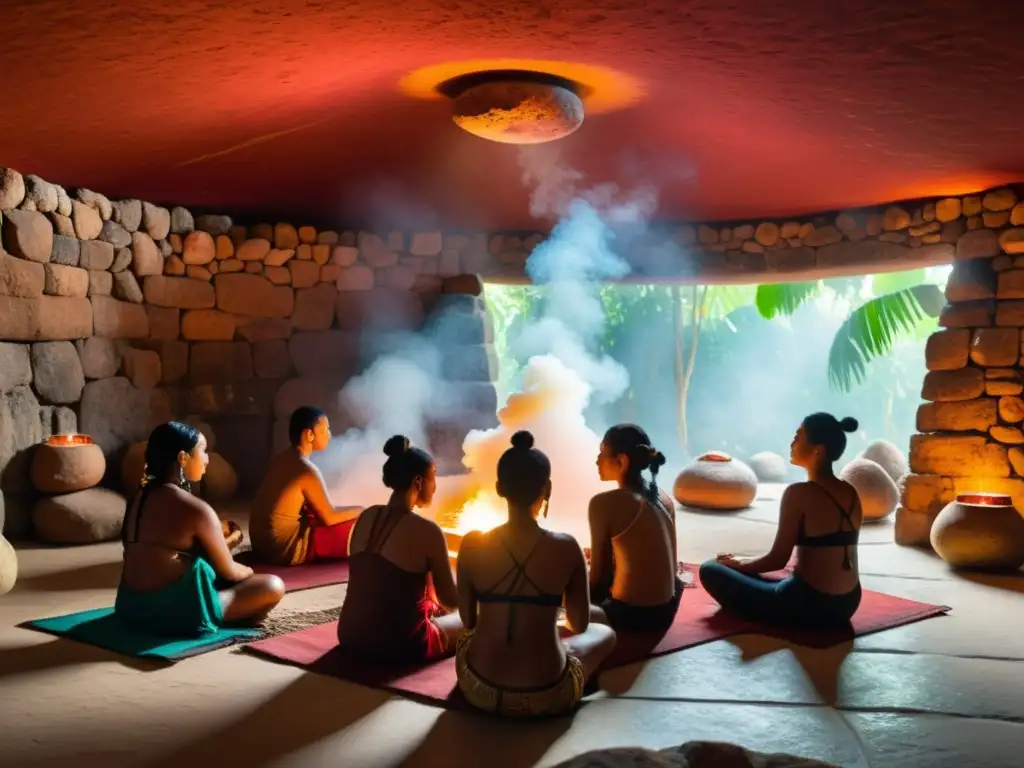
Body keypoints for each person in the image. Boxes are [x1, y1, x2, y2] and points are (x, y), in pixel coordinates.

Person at [455, 431, 616, 718]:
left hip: (479, 689)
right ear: (548, 488)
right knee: (604, 633)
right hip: (547, 693)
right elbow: (579, 625)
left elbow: (468, 621)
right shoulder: (567, 546)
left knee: (470, 640)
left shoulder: (471, 543)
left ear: (499, 488)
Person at [116, 422, 285, 636]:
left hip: (131, 606)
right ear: (183, 458)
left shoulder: (137, 498)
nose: (206, 459)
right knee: (272, 585)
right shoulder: (196, 510)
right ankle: (225, 614)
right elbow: (230, 572)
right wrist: (249, 571)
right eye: (203, 452)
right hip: (175, 613)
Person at [699, 413, 863, 627]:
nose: (792, 443)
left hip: (811, 605)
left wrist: (737, 565)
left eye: (798, 437)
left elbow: (777, 560)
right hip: (849, 602)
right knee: (749, 572)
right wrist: (741, 563)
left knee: (711, 569)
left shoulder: (799, 493)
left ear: (818, 449)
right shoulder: (850, 492)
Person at [336, 435, 463, 661]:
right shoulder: (428, 531)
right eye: (433, 477)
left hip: (349, 635)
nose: (435, 487)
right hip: (400, 644)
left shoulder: (365, 516)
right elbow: (451, 602)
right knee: (475, 617)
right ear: (418, 482)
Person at [588, 424, 682, 632]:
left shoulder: (603, 504)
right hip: (668, 609)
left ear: (621, 461)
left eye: (602, 452)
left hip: (631, 616)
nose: (597, 460)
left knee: (560, 586)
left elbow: (598, 582)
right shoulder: (663, 497)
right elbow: (673, 571)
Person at [250, 406, 363, 565]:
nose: (329, 435)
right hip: (281, 549)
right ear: (309, 434)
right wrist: (361, 510)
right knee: (358, 527)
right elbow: (329, 518)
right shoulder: (306, 470)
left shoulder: (282, 458)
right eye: (325, 429)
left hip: (260, 543)